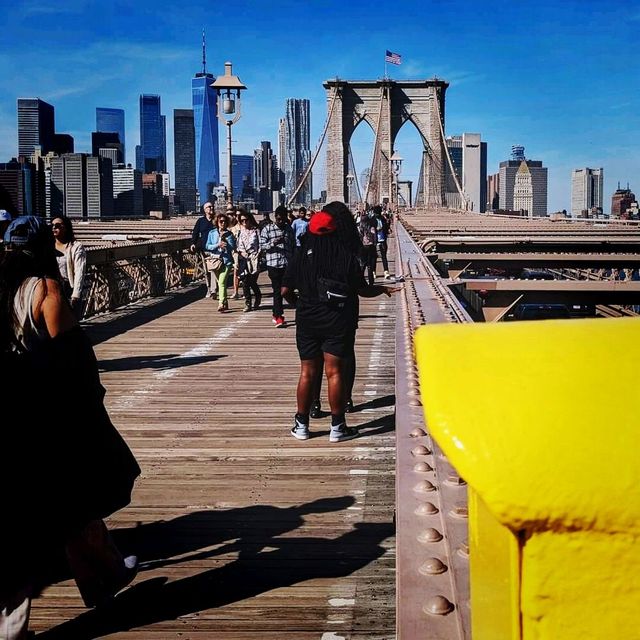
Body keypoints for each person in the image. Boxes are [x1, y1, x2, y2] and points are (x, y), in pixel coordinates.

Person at [0, 216, 140, 638]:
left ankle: (107, 575)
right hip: (41, 414)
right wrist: (89, 403)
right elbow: (70, 358)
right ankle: (13, 626)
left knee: (58, 503)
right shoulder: (46, 290)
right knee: (52, 506)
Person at [282, 202, 399, 443]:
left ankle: (301, 425)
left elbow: (284, 290)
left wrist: (300, 304)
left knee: (307, 372)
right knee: (334, 372)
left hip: (307, 319)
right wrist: (382, 290)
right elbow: (361, 290)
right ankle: (338, 427)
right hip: (338, 318)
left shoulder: (301, 255)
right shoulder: (346, 257)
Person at [260, 205, 294, 327]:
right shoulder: (267, 229)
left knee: (287, 290)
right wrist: (273, 243)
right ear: (275, 217)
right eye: (278, 219)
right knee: (277, 291)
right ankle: (278, 315)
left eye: (283, 219)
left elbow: (293, 246)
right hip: (273, 264)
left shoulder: (289, 230)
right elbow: (262, 246)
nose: (280, 222)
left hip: (287, 263)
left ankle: (281, 312)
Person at [51, 216, 86, 318]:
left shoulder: (76, 247)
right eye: (52, 226)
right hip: (52, 288)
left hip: (68, 288)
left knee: (70, 322)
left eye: (57, 226)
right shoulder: (48, 246)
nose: (54, 228)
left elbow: (80, 271)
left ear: (65, 228)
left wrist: (76, 294)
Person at [204, 213, 237, 312]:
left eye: (224, 221)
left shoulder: (229, 234)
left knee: (222, 282)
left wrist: (226, 244)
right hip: (215, 261)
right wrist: (217, 245)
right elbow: (207, 246)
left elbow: (233, 247)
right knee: (221, 283)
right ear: (217, 222)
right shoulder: (212, 233)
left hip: (226, 261)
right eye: (220, 221)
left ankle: (221, 303)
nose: (222, 223)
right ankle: (225, 303)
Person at [236, 210, 262, 312]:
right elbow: (237, 245)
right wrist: (240, 253)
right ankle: (248, 303)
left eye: (246, 220)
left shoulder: (256, 231)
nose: (244, 222)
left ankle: (257, 296)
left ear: (250, 220)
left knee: (252, 281)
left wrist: (258, 255)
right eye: (242, 220)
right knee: (245, 281)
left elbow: (260, 244)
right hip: (243, 258)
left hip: (253, 258)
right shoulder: (240, 232)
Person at [191, 202, 216, 298]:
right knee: (206, 271)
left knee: (213, 269)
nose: (211, 208)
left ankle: (213, 290)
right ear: (205, 210)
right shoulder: (200, 221)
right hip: (204, 249)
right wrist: (193, 243)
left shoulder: (216, 219)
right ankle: (209, 288)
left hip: (215, 249)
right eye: (209, 207)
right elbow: (195, 233)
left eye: (212, 206)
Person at [372, 205, 391, 279]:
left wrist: (387, 228)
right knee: (374, 257)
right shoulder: (372, 220)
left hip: (383, 240)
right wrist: (376, 229)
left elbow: (386, 228)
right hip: (375, 240)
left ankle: (386, 272)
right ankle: (373, 272)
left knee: (384, 256)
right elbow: (370, 230)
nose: (377, 214)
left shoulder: (383, 219)